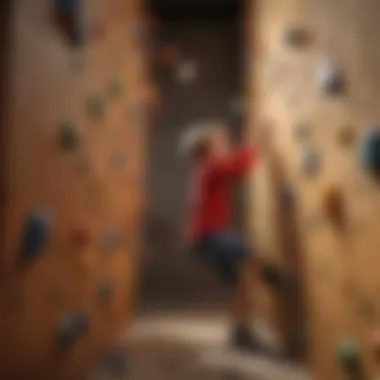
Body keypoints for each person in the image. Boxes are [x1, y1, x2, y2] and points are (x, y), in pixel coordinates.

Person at [179, 119, 272, 353]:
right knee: (252, 261)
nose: (225, 144)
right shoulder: (210, 166)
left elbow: (235, 161)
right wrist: (258, 138)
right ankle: (241, 329)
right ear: (207, 148)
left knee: (243, 279)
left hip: (205, 237)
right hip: (209, 235)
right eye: (219, 143)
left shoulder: (205, 166)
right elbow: (241, 165)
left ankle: (240, 330)